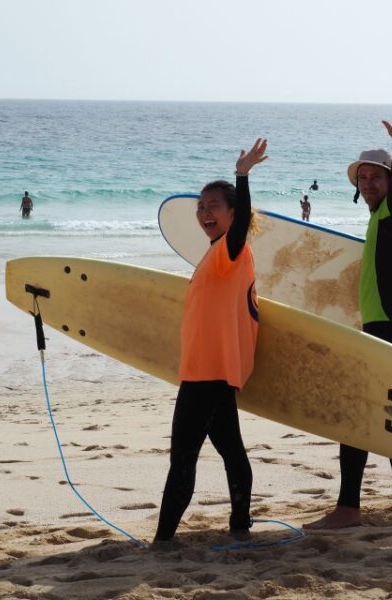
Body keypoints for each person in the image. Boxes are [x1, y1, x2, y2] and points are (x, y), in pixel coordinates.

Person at [304, 119, 392, 530]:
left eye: (376, 176)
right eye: (364, 177)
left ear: (391, 181)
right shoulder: (385, 219)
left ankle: (347, 508)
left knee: (354, 412)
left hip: (388, 326)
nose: (369, 183)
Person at [153, 138, 268, 545]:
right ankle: (240, 526)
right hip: (215, 370)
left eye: (212, 206)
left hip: (207, 373)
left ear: (234, 214)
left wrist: (242, 175)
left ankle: (163, 539)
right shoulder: (219, 254)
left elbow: (238, 233)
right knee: (231, 450)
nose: (203, 213)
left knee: (182, 457)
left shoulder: (231, 251)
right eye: (200, 207)